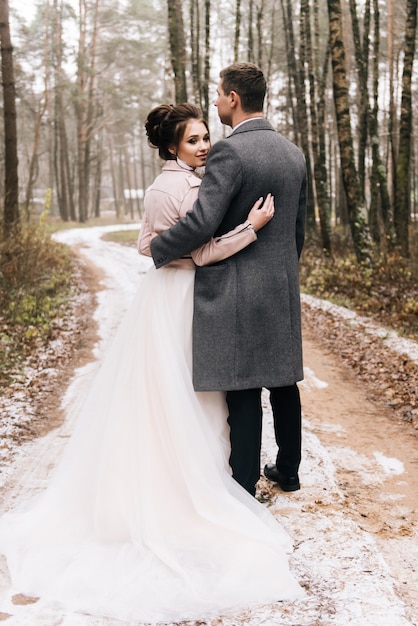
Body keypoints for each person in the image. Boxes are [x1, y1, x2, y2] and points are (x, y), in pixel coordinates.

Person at [0, 102, 303, 624]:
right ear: (170, 148)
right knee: (181, 395)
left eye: (206, 137)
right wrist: (250, 228)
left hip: (199, 298)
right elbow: (178, 249)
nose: (205, 146)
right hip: (181, 299)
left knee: (205, 398)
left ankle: (219, 481)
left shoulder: (200, 178)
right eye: (193, 141)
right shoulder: (172, 188)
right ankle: (193, 493)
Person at [151, 63, 307, 497]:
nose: (216, 101)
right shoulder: (293, 153)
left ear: (234, 98)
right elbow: (298, 229)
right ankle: (289, 470)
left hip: (235, 285)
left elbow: (202, 222)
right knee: (282, 380)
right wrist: (281, 272)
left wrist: (160, 246)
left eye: (219, 94)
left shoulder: (229, 152)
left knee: (242, 386)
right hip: (280, 284)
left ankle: (243, 482)